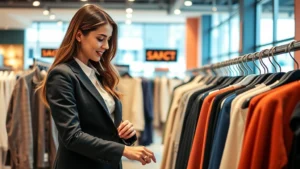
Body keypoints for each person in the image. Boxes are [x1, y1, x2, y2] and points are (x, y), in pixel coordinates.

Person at [38, 4, 156, 169]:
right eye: (100, 39)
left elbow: (102, 124)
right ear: (79, 35)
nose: (106, 46)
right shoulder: (62, 75)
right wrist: (124, 150)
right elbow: (72, 136)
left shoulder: (99, 74)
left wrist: (125, 132)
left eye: (108, 40)